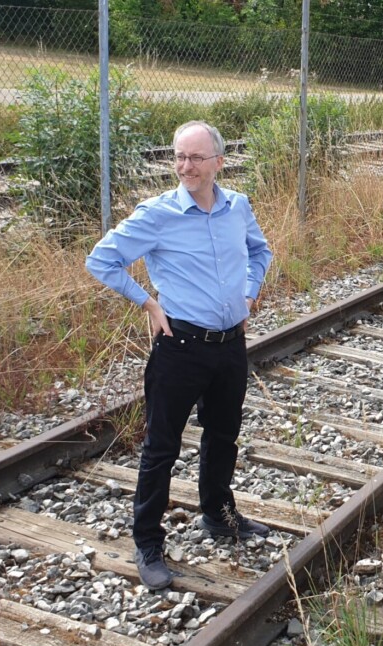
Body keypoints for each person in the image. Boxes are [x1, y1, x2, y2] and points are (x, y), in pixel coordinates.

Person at [85, 120, 273, 590]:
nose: (185, 166)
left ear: (219, 163)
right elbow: (100, 259)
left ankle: (218, 514)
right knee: (161, 448)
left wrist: (249, 294)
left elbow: (259, 250)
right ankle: (148, 544)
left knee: (224, 435)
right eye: (179, 157)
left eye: (195, 158)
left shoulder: (238, 207)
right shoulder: (157, 214)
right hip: (181, 348)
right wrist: (147, 302)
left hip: (230, 345)